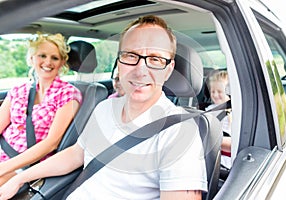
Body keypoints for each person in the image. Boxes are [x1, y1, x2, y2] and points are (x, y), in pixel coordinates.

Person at [0, 15, 207, 200]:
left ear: (169, 69)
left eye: (155, 59)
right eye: (131, 56)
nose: (140, 70)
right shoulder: (106, 107)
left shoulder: (180, 131)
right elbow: (76, 154)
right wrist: (20, 178)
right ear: (119, 62)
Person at [0, 33, 82, 186]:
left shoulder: (68, 94)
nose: (48, 62)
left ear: (62, 62)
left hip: (27, 164)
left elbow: (52, 143)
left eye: (55, 58)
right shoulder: (18, 90)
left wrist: (4, 167)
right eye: (42, 55)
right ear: (32, 59)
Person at [206, 70, 231, 169]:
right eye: (213, 92)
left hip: (226, 160)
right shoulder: (208, 110)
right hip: (211, 154)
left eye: (220, 92)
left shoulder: (234, 112)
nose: (215, 95)